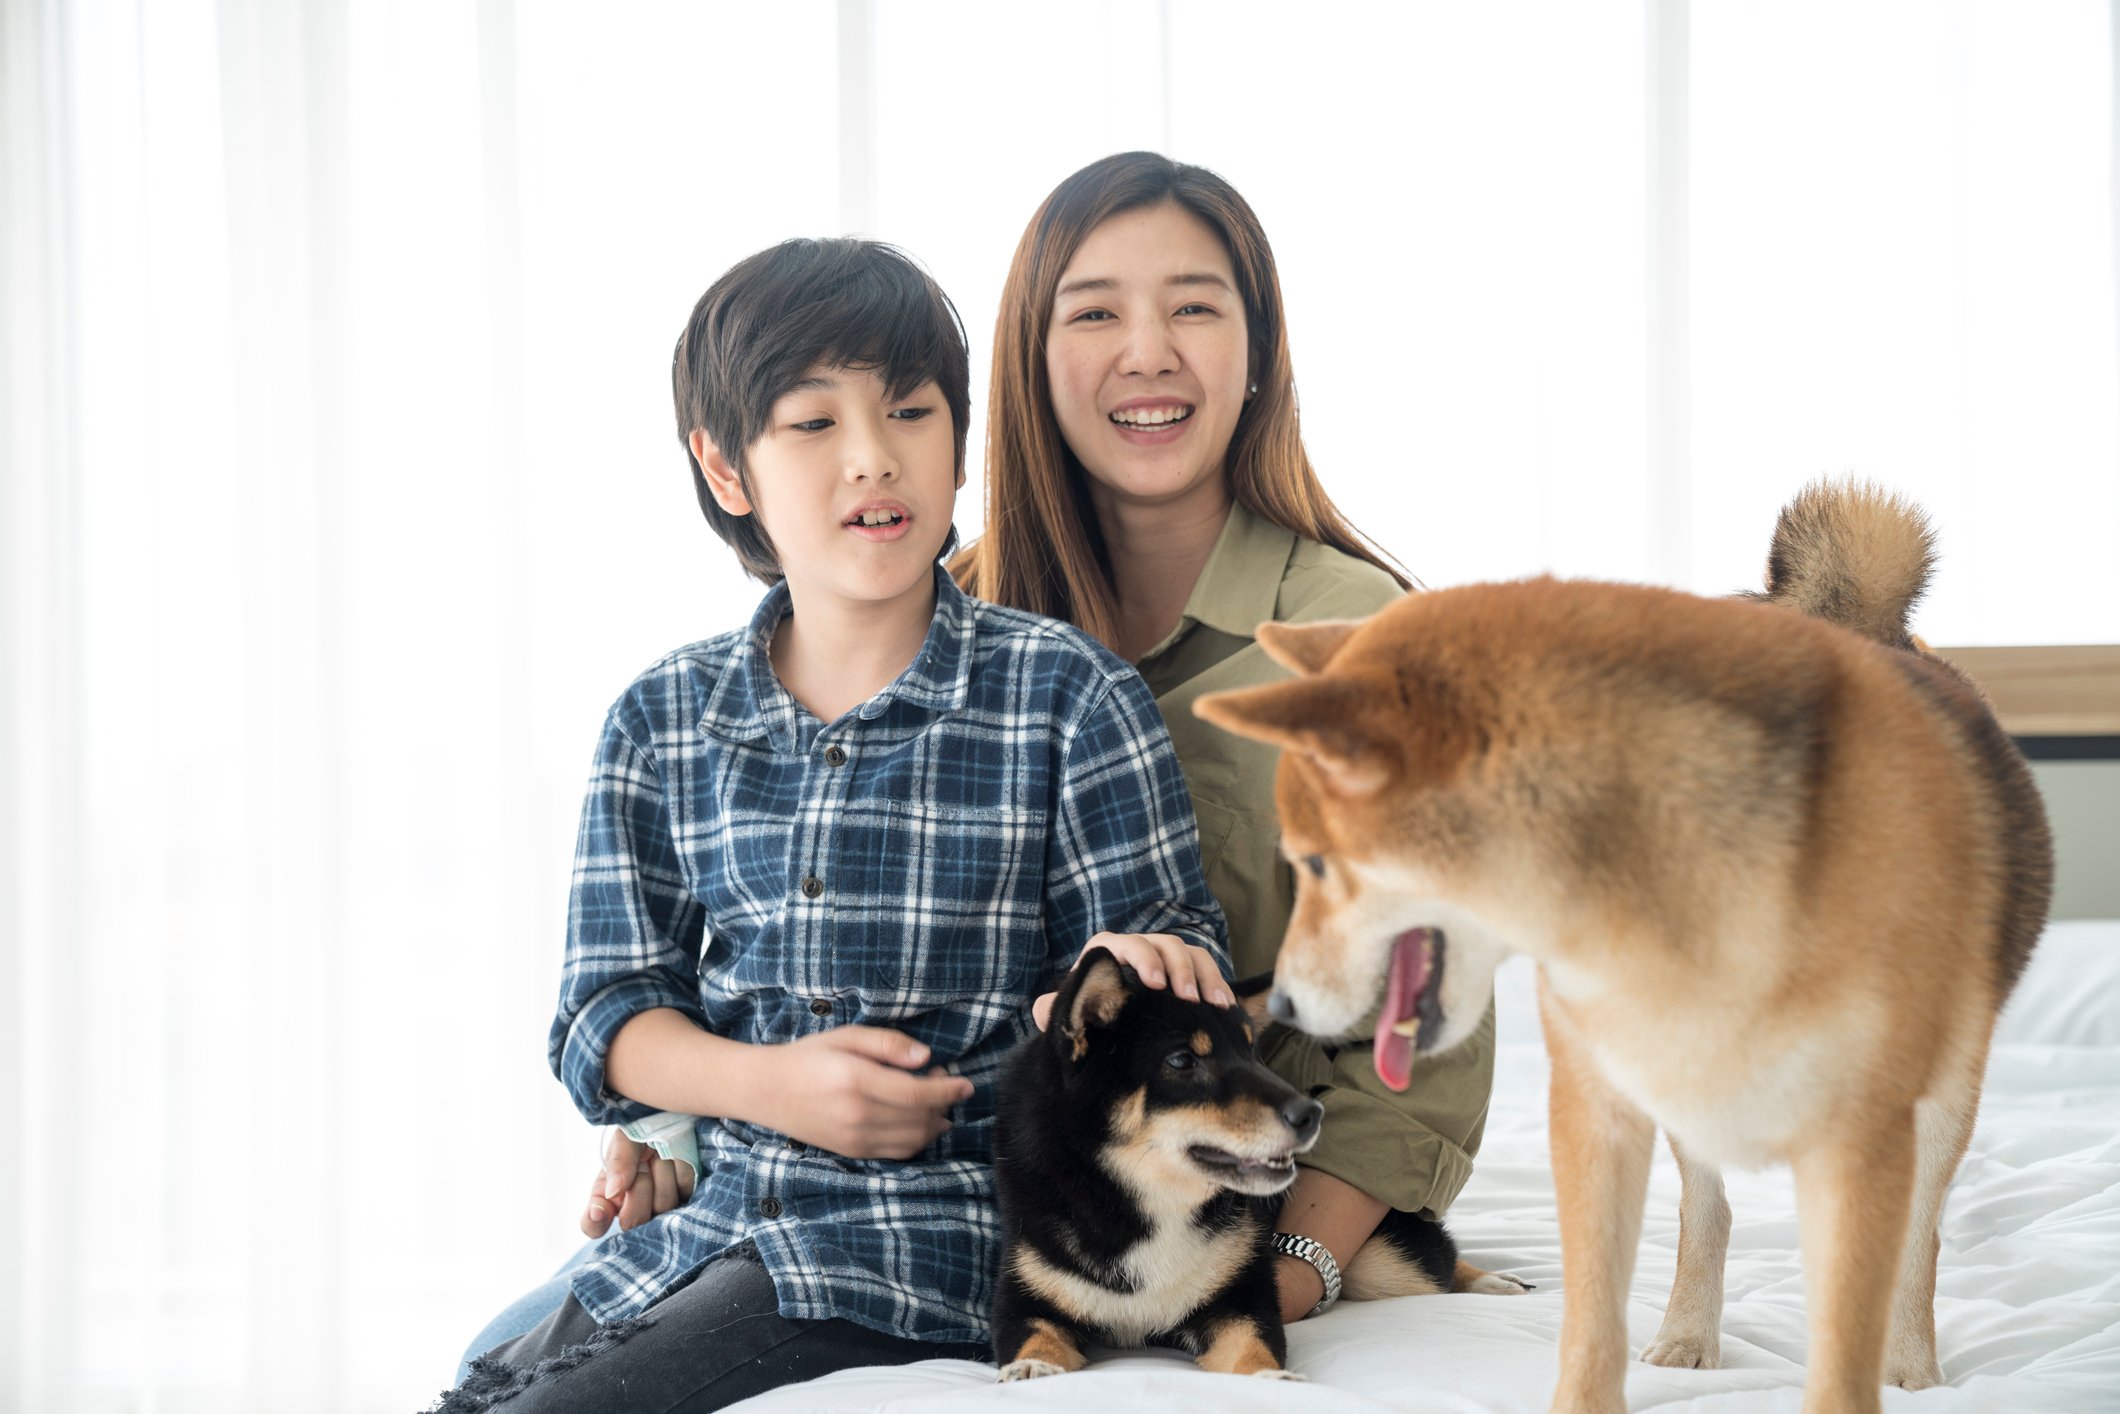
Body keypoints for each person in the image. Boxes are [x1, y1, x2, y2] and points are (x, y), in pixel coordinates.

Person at [438, 236, 1229, 1413]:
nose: (874, 457)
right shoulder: (662, 720)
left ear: (956, 440)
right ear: (725, 466)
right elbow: (600, 1022)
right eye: (813, 424)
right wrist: (767, 1085)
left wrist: (1136, 979)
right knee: (476, 1376)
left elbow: (1168, 946)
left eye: (910, 411)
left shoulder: (1066, 697)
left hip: (929, 1240)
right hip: (716, 1221)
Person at [955, 151, 1497, 1328]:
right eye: (1093, 311)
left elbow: (1426, 1041)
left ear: (1257, 353)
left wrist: (1288, 1270)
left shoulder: (1365, 644)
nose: (1146, 351)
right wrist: (678, 1134)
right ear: (1029, 361)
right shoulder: (945, 627)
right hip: (979, 1242)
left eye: (1193, 306)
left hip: (1251, 1225)